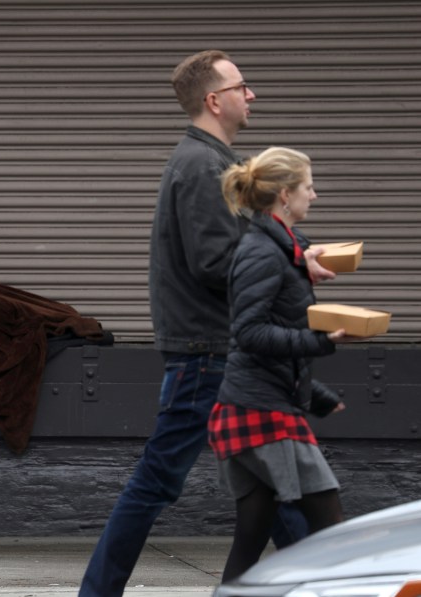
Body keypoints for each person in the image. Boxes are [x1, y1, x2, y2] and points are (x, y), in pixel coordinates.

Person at [78, 50, 334, 597]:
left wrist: (298, 255)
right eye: (242, 85)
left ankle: (327, 584)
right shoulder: (201, 167)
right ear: (215, 100)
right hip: (207, 353)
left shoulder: (215, 162)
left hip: (220, 350)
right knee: (160, 481)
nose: (252, 94)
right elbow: (215, 261)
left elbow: (243, 246)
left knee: (280, 483)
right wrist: (292, 263)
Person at [209, 146, 349, 582]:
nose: (315, 195)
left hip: (260, 404)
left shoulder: (280, 249)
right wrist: (319, 341)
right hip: (261, 411)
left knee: (250, 540)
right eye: (309, 186)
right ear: (285, 195)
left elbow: (270, 330)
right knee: (335, 533)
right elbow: (249, 334)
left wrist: (316, 395)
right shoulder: (261, 253)